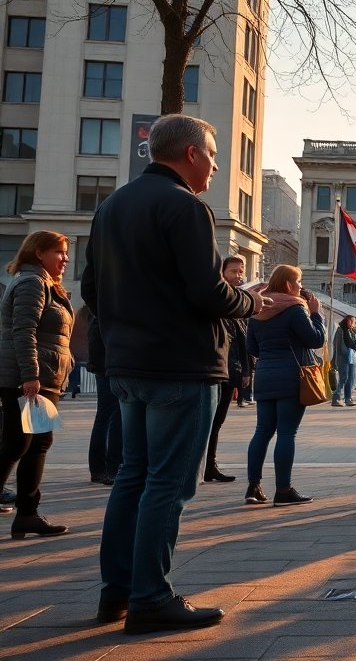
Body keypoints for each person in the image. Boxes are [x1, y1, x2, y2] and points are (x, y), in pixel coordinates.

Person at [83, 114, 264, 633]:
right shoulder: (186, 206)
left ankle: (117, 592)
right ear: (190, 153)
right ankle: (151, 598)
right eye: (212, 155)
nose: (215, 166)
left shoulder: (112, 206)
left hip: (128, 363)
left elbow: (92, 290)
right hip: (181, 365)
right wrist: (251, 304)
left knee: (132, 477)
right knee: (169, 482)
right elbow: (206, 291)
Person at [0, 230, 74, 539]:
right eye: (59, 252)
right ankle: (27, 514)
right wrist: (30, 376)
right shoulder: (32, 282)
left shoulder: (46, 283)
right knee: (21, 443)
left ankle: (27, 515)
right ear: (38, 252)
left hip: (42, 377)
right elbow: (24, 331)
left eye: (66, 252)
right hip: (28, 379)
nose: (65, 258)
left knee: (32, 443)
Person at [244, 265, 323, 507]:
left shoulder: (258, 309)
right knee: (287, 432)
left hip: (265, 375)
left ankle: (253, 486)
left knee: (262, 431)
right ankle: (283, 489)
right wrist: (316, 314)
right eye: (298, 281)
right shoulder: (295, 309)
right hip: (291, 376)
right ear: (288, 284)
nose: (300, 286)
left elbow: (252, 348)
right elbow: (315, 339)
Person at [202, 255, 253, 483]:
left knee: (218, 421)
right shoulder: (219, 301)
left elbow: (243, 341)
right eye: (234, 271)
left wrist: (246, 370)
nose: (238, 275)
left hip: (231, 370)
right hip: (216, 370)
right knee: (208, 422)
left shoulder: (239, 302)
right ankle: (202, 465)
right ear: (222, 273)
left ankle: (209, 465)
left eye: (241, 271)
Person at [85, 310, 121, 487]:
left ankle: (100, 469)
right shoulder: (110, 304)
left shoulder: (98, 308)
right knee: (114, 414)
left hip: (103, 354)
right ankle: (111, 469)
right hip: (111, 356)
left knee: (105, 414)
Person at [330, 316, 356, 408]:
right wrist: (335, 360)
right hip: (342, 358)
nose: (353, 323)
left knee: (350, 379)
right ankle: (336, 399)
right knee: (342, 378)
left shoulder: (351, 331)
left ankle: (348, 398)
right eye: (352, 321)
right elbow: (337, 346)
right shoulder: (340, 330)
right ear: (348, 321)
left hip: (351, 358)